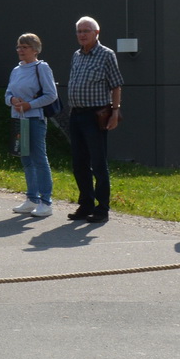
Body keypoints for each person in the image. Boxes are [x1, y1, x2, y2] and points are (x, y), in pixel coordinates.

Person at [64, 16, 124, 224]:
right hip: (76, 114)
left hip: (95, 115)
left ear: (96, 33)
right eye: (79, 31)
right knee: (79, 163)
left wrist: (115, 112)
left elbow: (116, 85)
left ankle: (102, 208)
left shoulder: (107, 55)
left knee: (98, 163)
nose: (82, 35)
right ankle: (86, 203)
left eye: (86, 31)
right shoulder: (76, 55)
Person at [4, 33, 58, 217]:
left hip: (35, 119)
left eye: (24, 47)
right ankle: (31, 198)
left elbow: (51, 94)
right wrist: (12, 100)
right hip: (19, 120)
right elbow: (7, 94)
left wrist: (29, 105)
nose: (20, 50)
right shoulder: (16, 70)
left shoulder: (41, 68)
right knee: (25, 159)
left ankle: (46, 201)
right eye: (18, 47)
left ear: (35, 50)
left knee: (39, 158)